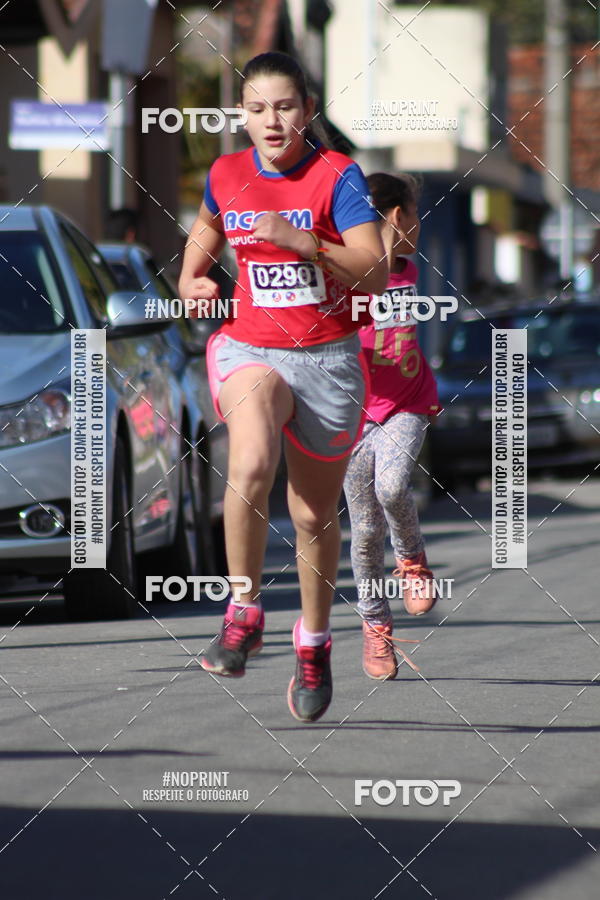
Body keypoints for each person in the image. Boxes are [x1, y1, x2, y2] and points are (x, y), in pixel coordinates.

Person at [178, 52, 387, 722]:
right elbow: (208, 227)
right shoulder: (227, 172)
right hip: (249, 347)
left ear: (308, 111)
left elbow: (376, 272)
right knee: (250, 462)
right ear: (243, 114)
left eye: (286, 106)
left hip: (326, 360)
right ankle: (243, 612)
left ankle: (315, 643)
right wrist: (192, 278)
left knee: (309, 516)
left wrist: (305, 242)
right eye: (258, 107)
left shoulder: (337, 177)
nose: (272, 120)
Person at [343, 172, 441, 681]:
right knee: (362, 533)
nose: (418, 231)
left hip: (406, 403)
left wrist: (383, 231)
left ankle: (412, 561)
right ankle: (375, 629)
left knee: (393, 484)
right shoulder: (342, 270)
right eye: (414, 220)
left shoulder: (405, 268)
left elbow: (382, 263)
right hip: (352, 416)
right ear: (399, 217)